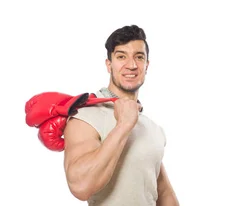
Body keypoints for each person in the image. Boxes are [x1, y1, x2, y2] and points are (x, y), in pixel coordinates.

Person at [62, 25, 179, 206]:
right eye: (121, 56)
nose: (131, 65)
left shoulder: (152, 128)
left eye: (139, 57)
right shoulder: (85, 116)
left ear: (147, 65)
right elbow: (80, 186)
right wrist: (123, 125)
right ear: (109, 65)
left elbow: (162, 190)